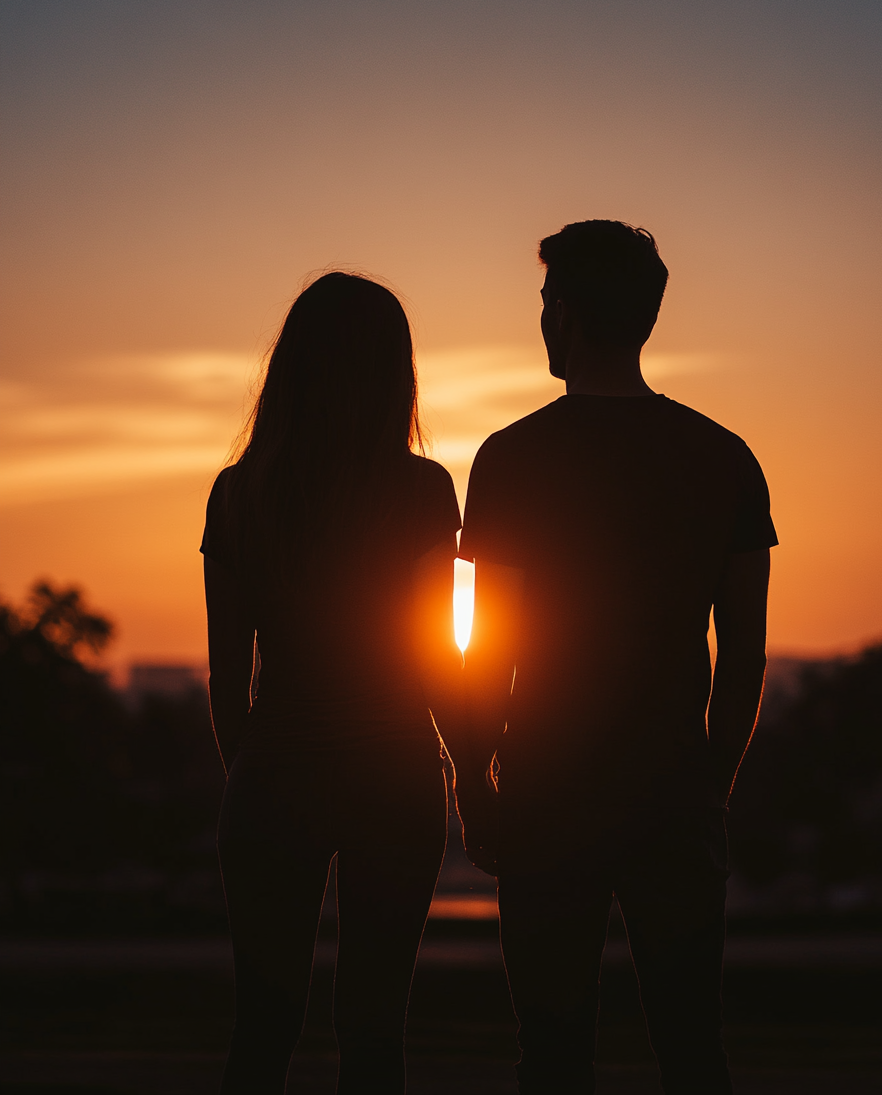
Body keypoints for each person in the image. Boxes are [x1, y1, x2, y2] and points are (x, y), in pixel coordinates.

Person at [453, 221, 777, 1095]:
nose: (544, 319)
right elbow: (744, 653)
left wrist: (473, 770)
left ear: (574, 314)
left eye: (549, 300)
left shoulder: (512, 457)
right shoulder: (726, 458)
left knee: (552, 1055)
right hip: (674, 788)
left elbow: (493, 648)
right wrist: (713, 781)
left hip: (548, 788)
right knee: (691, 1048)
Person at [201, 273, 461, 1095]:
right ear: (396, 374)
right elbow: (436, 662)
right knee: (376, 1028)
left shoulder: (239, 492)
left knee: (263, 1026)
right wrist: (476, 772)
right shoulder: (424, 489)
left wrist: (254, 768)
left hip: (274, 769)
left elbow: (227, 678)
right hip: (395, 773)